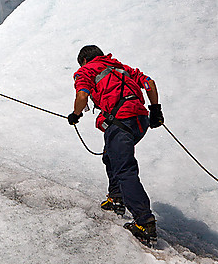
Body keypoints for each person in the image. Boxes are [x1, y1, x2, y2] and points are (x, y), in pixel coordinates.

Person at [68, 45, 164, 246]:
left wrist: (75, 115)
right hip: (140, 120)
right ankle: (116, 197)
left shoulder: (85, 71)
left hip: (122, 121)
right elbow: (150, 84)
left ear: (84, 60)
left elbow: (82, 96)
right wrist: (155, 110)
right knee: (110, 155)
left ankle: (144, 222)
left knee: (124, 168)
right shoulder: (120, 67)